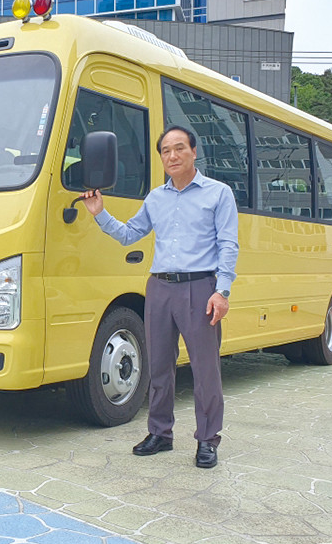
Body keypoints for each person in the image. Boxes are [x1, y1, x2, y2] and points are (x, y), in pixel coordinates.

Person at [80, 125, 238, 468]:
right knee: (160, 366)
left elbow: (228, 245)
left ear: (194, 152)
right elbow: (129, 234)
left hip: (201, 288)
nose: (172, 156)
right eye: (166, 151)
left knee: (205, 369)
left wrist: (221, 291)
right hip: (160, 288)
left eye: (179, 148)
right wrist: (100, 214)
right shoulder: (156, 198)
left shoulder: (218, 193)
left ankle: (208, 439)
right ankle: (160, 433)